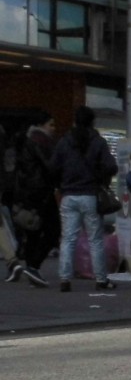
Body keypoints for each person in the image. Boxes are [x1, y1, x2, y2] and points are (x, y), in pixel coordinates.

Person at [50, 105, 118, 292]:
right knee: (95, 239)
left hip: (68, 195)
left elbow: (53, 167)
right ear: (92, 122)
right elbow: (111, 167)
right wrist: (99, 177)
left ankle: (65, 279)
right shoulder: (98, 142)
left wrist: (62, 183)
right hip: (90, 195)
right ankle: (101, 279)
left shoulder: (64, 142)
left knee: (68, 238)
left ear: (75, 121)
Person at [11, 110, 57, 287]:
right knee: (53, 231)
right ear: (41, 125)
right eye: (50, 124)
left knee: (33, 233)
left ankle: (32, 270)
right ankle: (33, 267)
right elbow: (50, 166)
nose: (53, 128)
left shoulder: (28, 139)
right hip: (41, 192)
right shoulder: (40, 141)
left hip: (29, 193)